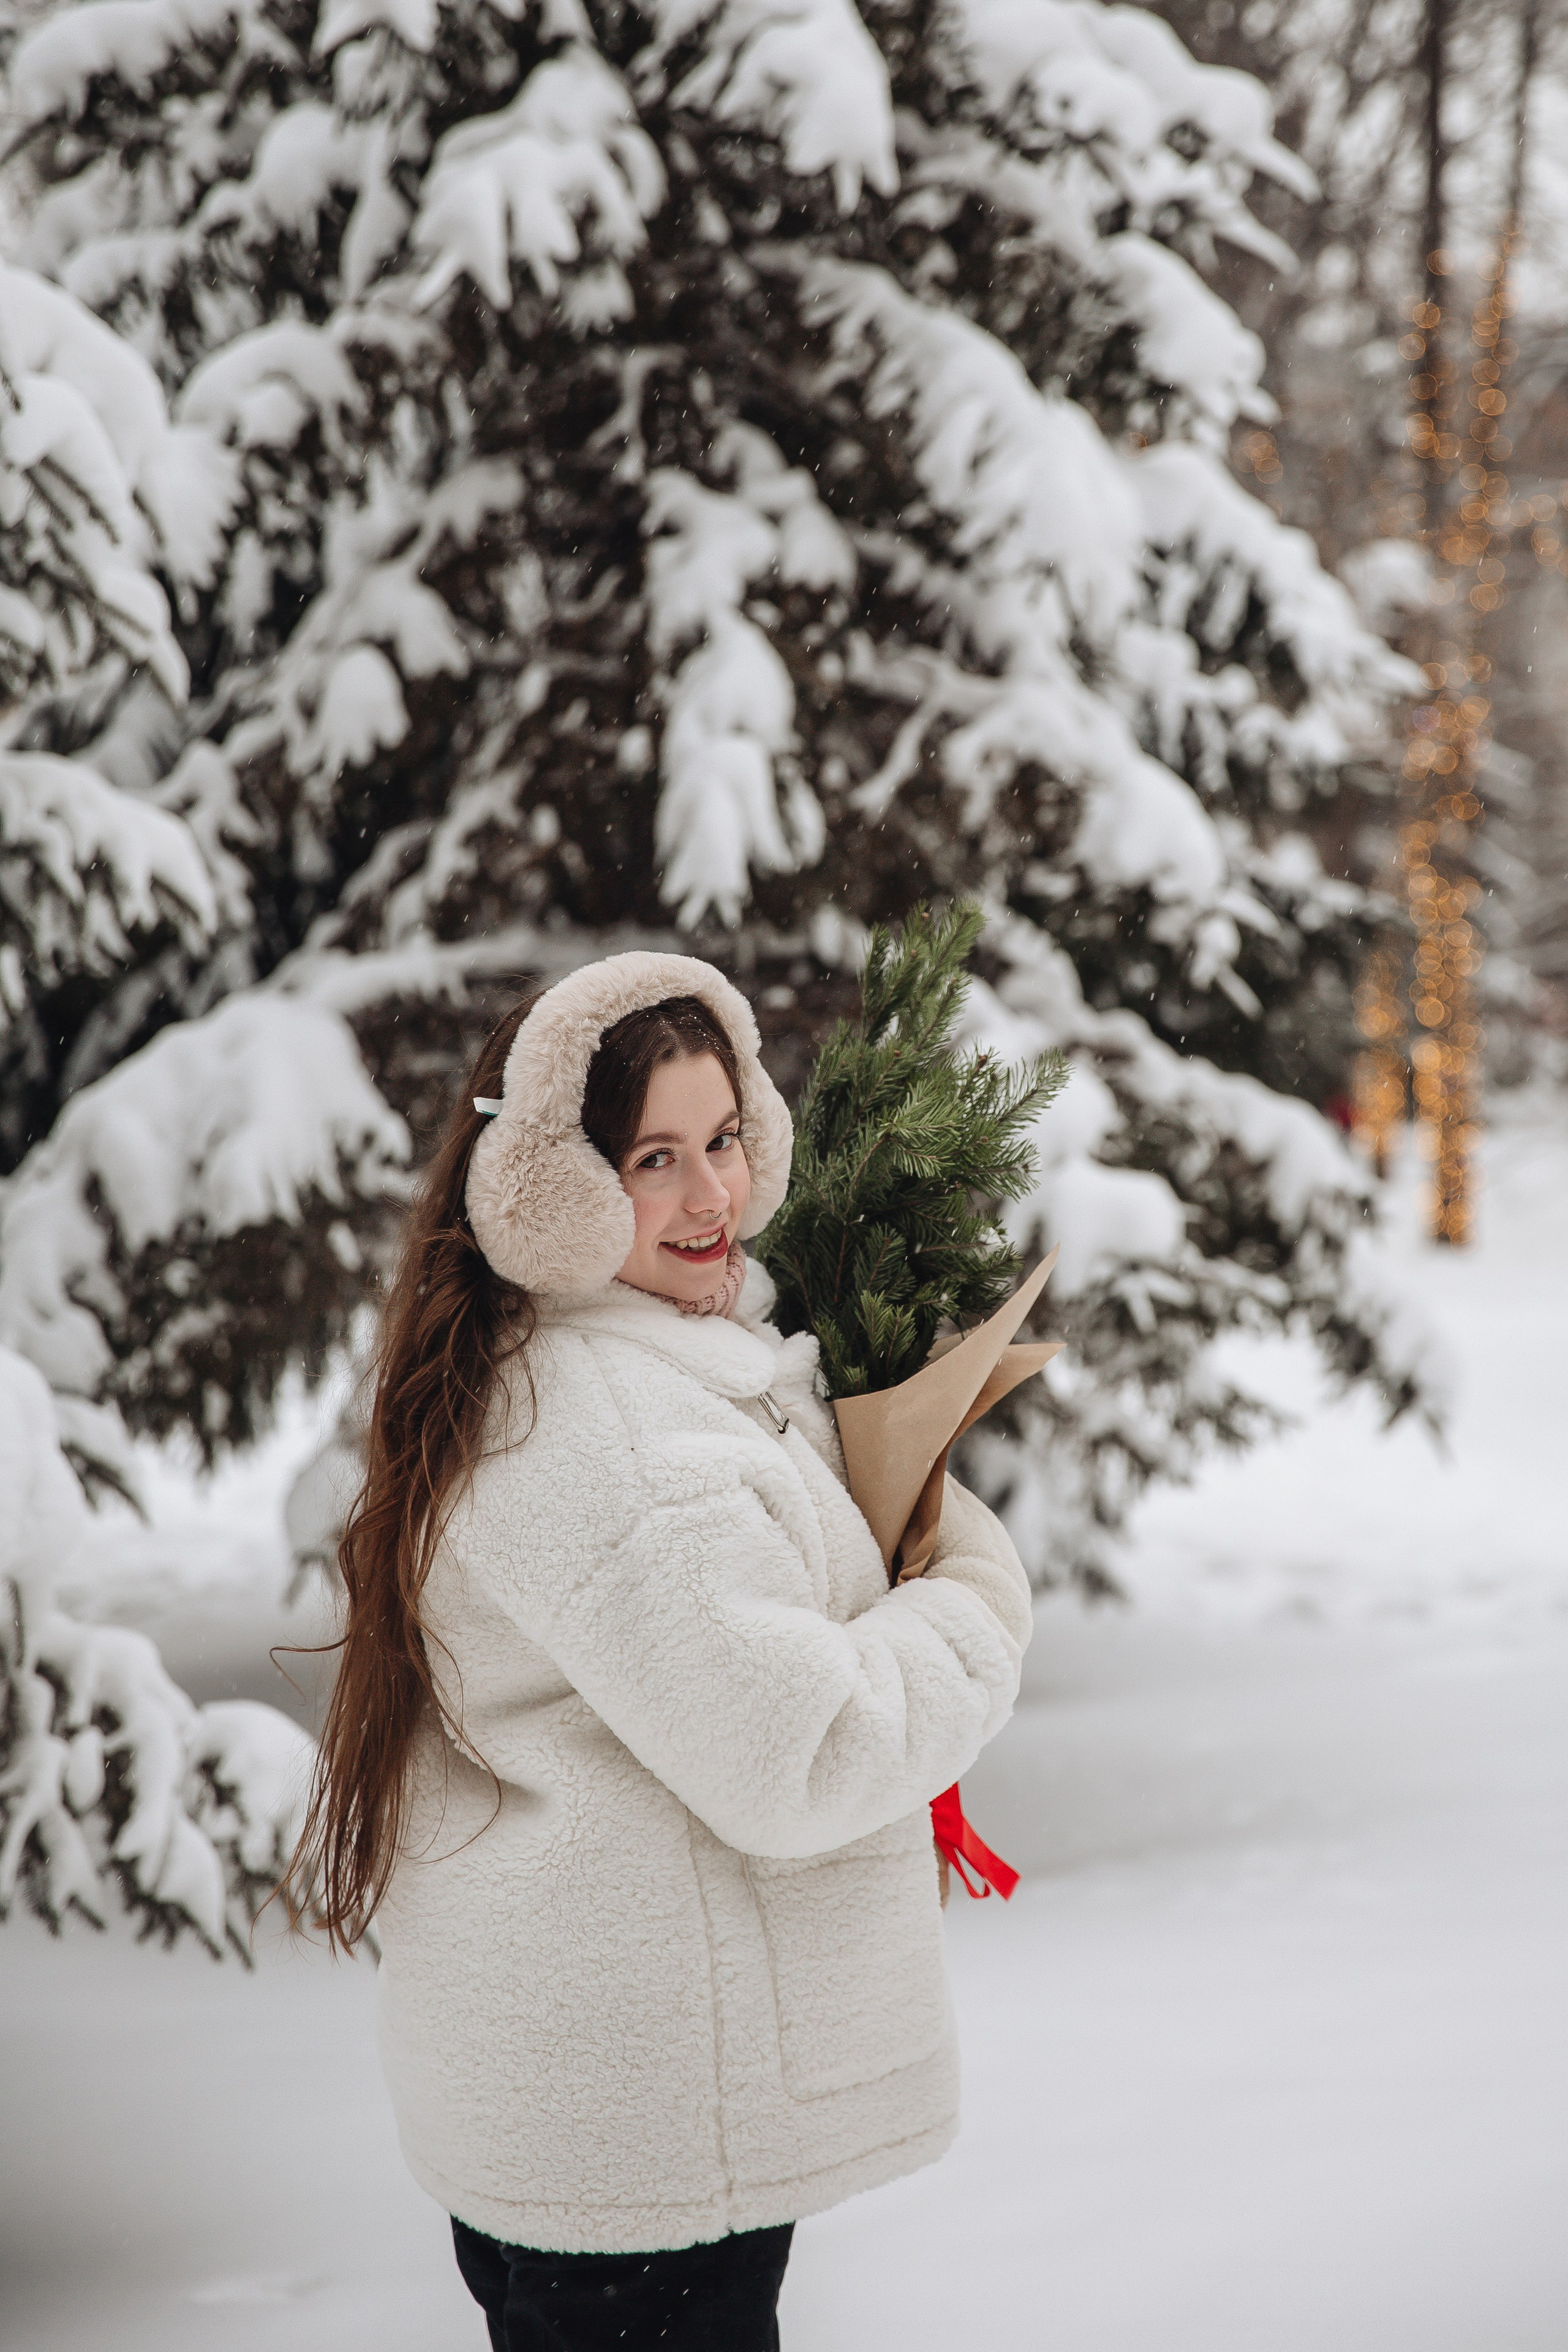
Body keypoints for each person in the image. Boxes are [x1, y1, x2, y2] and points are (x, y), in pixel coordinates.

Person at [288, 951, 1033, 2351]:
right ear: (549, 1189)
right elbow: (800, 1755)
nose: (710, 1196)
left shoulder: (585, 1364)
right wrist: (974, 1599)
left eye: (725, 1139)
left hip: (589, 2122)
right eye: (651, 1159)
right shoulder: (618, 1435)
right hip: (648, 2155)